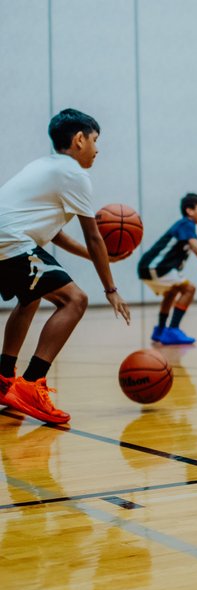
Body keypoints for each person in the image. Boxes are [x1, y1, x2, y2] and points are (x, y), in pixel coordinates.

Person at [0, 108, 131, 426]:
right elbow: (94, 237)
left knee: (30, 298)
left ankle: (4, 380)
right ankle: (32, 384)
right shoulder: (74, 174)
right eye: (96, 140)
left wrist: (98, 259)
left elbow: (55, 233)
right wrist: (110, 288)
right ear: (79, 139)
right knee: (75, 300)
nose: (98, 150)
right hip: (12, 242)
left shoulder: (45, 166)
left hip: (8, 240)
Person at [137, 193, 197, 345]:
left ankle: (160, 331)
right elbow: (196, 248)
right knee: (189, 289)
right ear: (190, 211)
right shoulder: (186, 224)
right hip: (156, 266)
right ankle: (173, 330)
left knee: (172, 292)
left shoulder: (187, 229)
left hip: (149, 267)